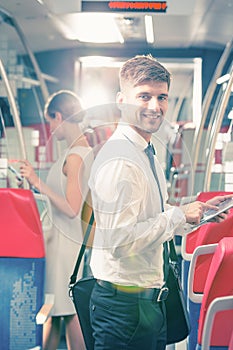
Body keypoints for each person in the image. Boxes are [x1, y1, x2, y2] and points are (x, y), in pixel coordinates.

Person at [88, 55, 231, 350]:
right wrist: (179, 216)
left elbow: (147, 214)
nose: (155, 106)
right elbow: (119, 241)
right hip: (124, 308)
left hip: (146, 301)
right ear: (121, 100)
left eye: (161, 97)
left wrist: (197, 213)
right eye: (144, 96)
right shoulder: (121, 160)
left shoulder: (143, 149)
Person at [19, 90, 94, 350]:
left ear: (59, 116)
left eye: (50, 121)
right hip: (62, 244)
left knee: (68, 312)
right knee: (56, 313)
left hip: (65, 247)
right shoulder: (80, 150)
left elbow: (72, 207)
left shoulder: (75, 156)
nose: (50, 127)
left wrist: (37, 182)